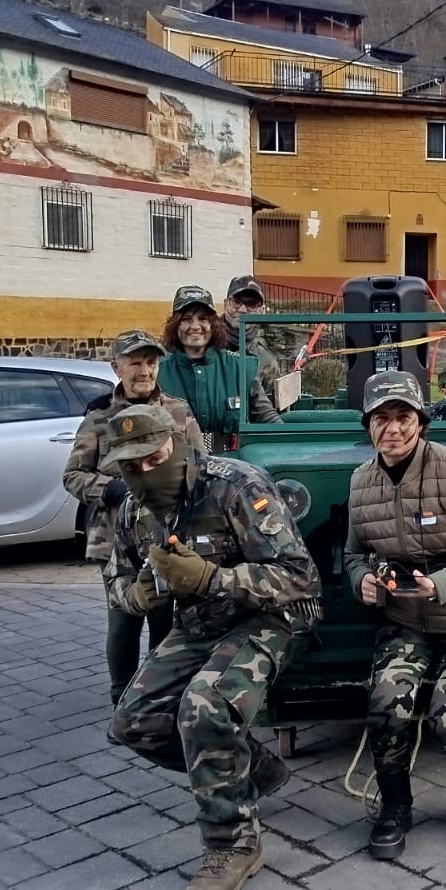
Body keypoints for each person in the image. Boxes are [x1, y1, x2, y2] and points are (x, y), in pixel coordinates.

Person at [104, 403, 320, 890]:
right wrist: (137, 597)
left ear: (175, 445)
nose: (144, 472)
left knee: (203, 707)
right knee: (133, 723)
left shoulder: (234, 486)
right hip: (200, 623)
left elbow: (299, 577)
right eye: (130, 465)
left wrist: (211, 578)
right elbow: (116, 580)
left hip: (271, 618)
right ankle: (251, 769)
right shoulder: (136, 511)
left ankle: (232, 843)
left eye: (153, 456)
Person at [344, 371, 446, 861]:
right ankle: (396, 805)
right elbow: (353, 555)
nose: (392, 429)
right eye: (381, 419)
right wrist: (362, 581)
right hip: (406, 617)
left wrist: (440, 584)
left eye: (403, 418)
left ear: (421, 423)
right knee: (385, 708)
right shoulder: (361, 482)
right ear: (368, 426)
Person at [62, 329, 206, 704]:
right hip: (115, 537)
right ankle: (121, 696)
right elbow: (73, 475)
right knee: (124, 618)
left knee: (166, 619)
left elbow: (200, 465)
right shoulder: (99, 415)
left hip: (166, 533)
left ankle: (161, 692)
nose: (144, 371)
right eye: (135, 363)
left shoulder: (177, 410)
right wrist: (110, 490)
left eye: (151, 362)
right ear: (116, 367)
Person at [157, 285, 282, 450]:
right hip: (177, 467)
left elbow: (268, 418)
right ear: (175, 325)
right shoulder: (158, 372)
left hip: (233, 464)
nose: (195, 326)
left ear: (213, 324)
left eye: (203, 319)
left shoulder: (239, 367)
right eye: (186, 319)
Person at [219, 274, 283, 403]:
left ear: (262, 310)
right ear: (226, 303)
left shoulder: (267, 362)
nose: (242, 310)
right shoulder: (202, 342)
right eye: (236, 302)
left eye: (251, 304)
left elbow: (267, 412)